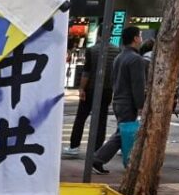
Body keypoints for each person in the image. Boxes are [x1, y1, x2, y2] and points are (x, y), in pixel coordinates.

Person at [92, 25, 148, 174]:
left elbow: (113, 79)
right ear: (135, 38)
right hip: (127, 102)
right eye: (140, 35)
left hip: (118, 100)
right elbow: (138, 84)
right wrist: (141, 104)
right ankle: (99, 158)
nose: (141, 39)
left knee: (121, 131)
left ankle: (99, 158)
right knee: (124, 133)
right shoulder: (136, 59)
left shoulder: (119, 57)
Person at [63, 40, 118, 159]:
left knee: (80, 118)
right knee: (101, 120)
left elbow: (86, 72)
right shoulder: (117, 51)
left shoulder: (92, 50)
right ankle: (97, 150)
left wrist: (81, 88)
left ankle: (74, 146)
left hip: (91, 89)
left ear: (99, 34)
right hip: (107, 89)